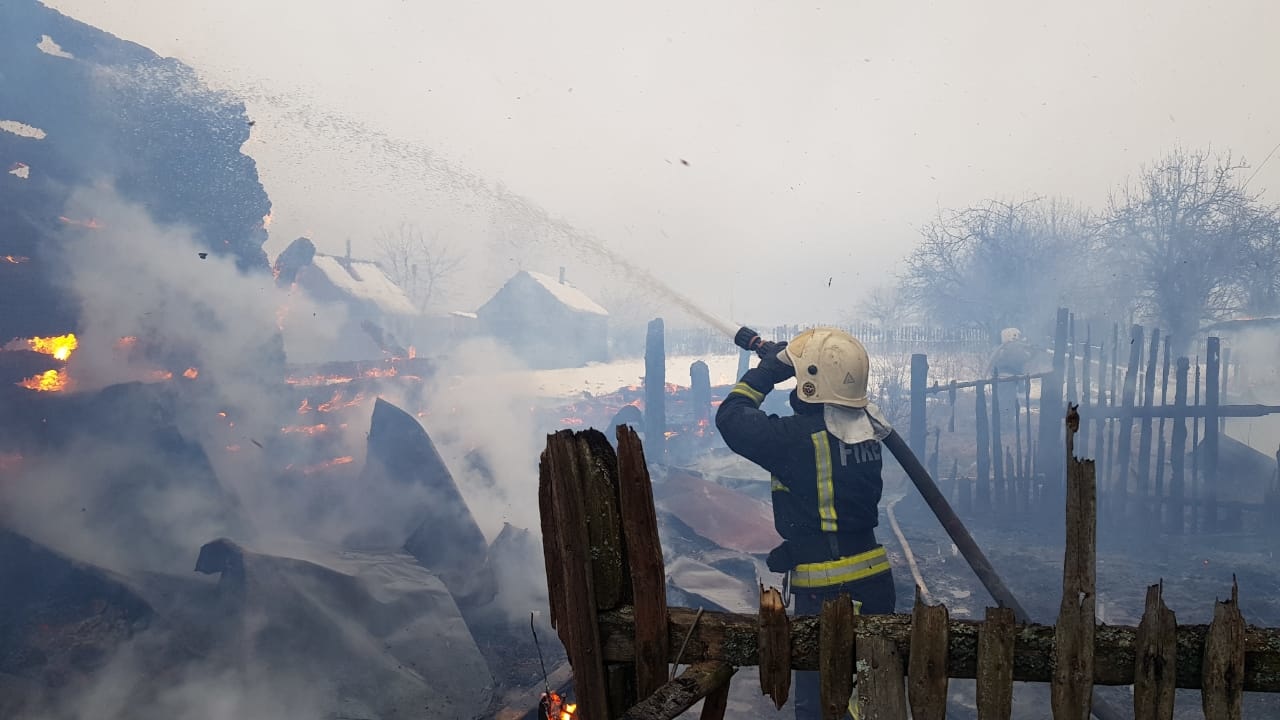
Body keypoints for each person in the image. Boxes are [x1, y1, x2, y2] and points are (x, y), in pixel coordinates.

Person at [716, 327, 896, 720]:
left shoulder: (797, 438)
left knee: (827, 706)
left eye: (801, 378)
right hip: (870, 579)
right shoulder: (866, 430)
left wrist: (769, 370)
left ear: (812, 384)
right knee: (862, 698)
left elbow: (730, 419)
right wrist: (798, 544)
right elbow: (834, 504)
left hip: (834, 595)